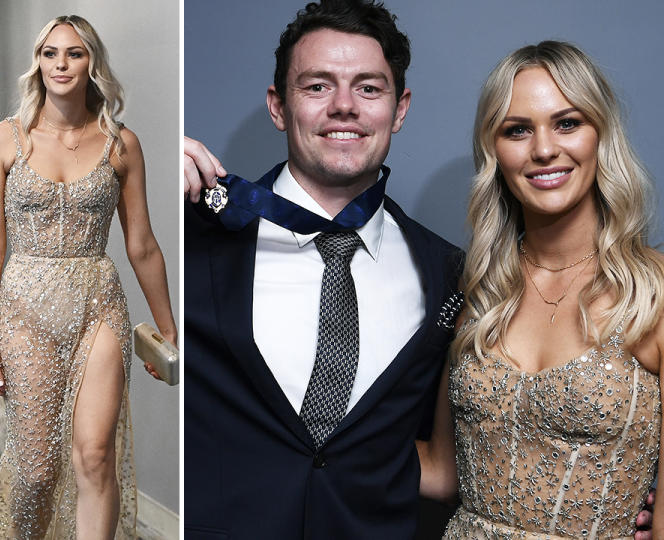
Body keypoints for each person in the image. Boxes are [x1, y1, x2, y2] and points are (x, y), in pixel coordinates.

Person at [183, 1, 463, 537]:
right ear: (278, 107)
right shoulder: (197, 232)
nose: (343, 106)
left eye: (369, 88)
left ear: (399, 109)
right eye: (316, 87)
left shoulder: (451, 272)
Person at [415, 41, 664, 539]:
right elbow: (442, 472)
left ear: (601, 135)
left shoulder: (652, 293)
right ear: (494, 151)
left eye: (567, 123)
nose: (544, 149)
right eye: (517, 130)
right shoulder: (480, 292)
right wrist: (297, 436)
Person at [0, 15, 176, 540]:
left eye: (74, 54)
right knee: (35, 469)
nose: (61, 64)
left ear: (92, 63)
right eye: (51, 53)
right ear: (38, 62)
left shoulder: (121, 143)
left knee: (96, 455)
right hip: (23, 310)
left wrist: (169, 330)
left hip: (98, 304)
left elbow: (141, 244)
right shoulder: (4, 140)